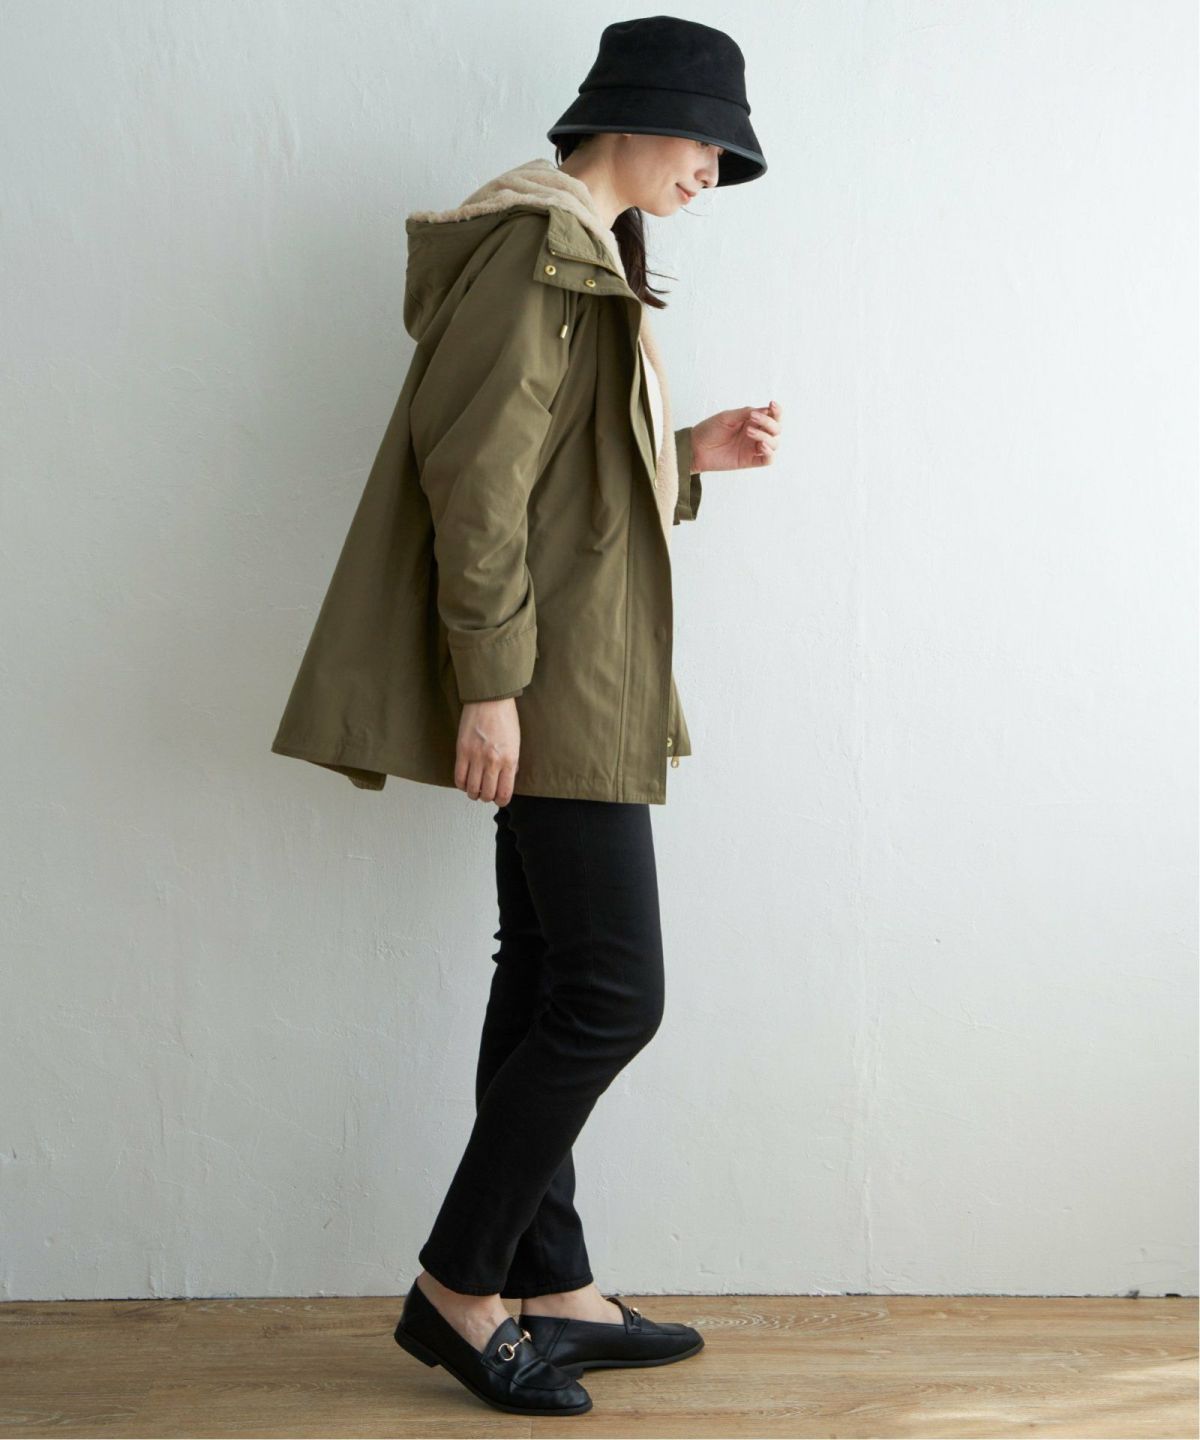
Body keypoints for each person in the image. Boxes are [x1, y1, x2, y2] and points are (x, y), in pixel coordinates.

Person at [270, 16, 779, 1418]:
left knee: (551, 968)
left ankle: (553, 1285)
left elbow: (563, 476)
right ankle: (459, 1285)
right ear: (638, 114)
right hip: (550, 680)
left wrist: (686, 455)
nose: (714, 171)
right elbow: (477, 482)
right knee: (615, 992)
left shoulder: (588, 255)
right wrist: (489, 683)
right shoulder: (533, 248)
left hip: (583, 669)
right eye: (708, 141)